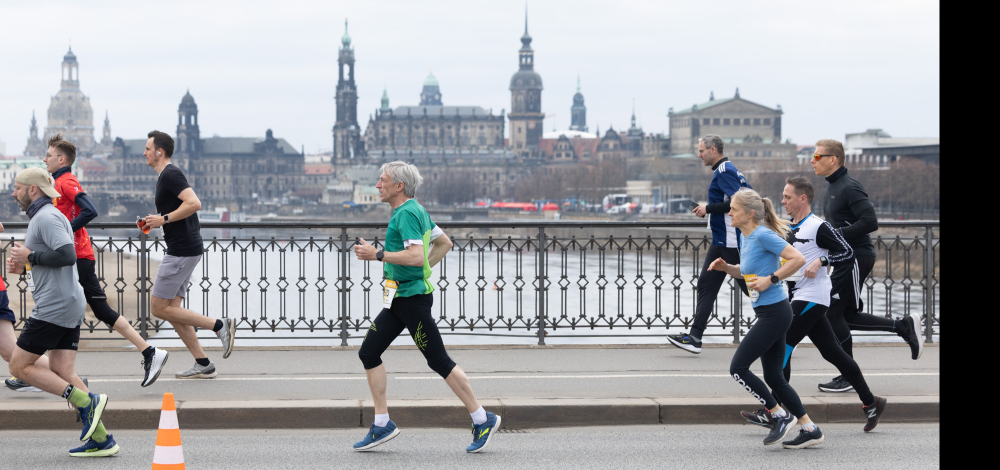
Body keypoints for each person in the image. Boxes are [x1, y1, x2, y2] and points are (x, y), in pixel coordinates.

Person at [352, 161, 500, 453]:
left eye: (382, 181)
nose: (378, 186)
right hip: (399, 299)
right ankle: (382, 424)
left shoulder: (406, 214)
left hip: (412, 302)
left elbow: (416, 256)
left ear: (399, 186)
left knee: (439, 361)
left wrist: (377, 254)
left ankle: (483, 418)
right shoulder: (416, 209)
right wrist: (420, 272)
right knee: (369, 352)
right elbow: (444, 243)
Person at [11, 134, 168, 389]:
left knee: (80, 308)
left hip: (77, 255)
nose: (44, 158)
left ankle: (149, 351)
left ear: (61, 159)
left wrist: (65, 231)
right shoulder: (56, 182)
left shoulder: (66, 181)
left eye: (48, 155)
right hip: (72, 253)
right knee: (59, 306)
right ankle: (36, 371)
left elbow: (90, 210)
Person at [740, 177, 887, 433]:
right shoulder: (787, 227)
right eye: (783, 197)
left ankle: (774, 412)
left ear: (803, 198)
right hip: (796, 297)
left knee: (781, 348)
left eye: (787, 197)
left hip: (813, 296)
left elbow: (846, 253)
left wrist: (821, 261)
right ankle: (871, 402)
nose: (783, 201)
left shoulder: (818, 226)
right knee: (833, 353)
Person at [6, 167, 119, 457]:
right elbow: (52, 258)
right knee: (62, 370)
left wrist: (30, 256)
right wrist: (25, 264)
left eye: (18, 188)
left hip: (54, 306)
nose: (13, 193)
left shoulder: (45, 217)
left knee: (18, 367)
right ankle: (102, 439)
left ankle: (85, 400)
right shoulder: (48, 217)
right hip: (66, 301)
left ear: (33, 190)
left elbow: (67, 255)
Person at [708, 187, 823, 449]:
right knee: (774, 377)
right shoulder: (745, 235)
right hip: (769, 312)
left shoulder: (763, 235)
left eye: (733, 209)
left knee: (738, 368)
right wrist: (728, 268)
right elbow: (749, 272)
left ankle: (779, 415)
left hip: (776, 313)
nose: (729, 212)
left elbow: (798, 259)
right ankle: (810, 428)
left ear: (749, 214)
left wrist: (772, 279)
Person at [810, 140, 922, 393]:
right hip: (846, 257)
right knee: (844, 315)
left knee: (831, 313)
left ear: (833, 159)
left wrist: (837, 235)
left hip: (856, 257)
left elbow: (870, 221)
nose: (812, 160)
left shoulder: (849, 186)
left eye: (817, 156)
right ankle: (902, 327)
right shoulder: (831, 186)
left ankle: (848, 374)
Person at [142, 130, 235, 378]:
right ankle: (203, 363)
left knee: (159, 309)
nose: (145, 153)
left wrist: (163, 219)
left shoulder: (170, 174)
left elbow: (194, 203)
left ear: (159, 152)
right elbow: (177, 210)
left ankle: (219, 325)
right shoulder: (166, 176)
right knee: (172, 309)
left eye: (148, 149)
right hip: (185, 247)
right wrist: (156, 222)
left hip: (182, 250)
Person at [667, 135, 750, 353]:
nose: (699, 154)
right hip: (724, 239)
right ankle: (695, 338)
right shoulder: (730, 170)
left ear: (713, 150)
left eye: (702, 150)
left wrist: (708, 209)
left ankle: (784, 329)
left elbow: (738, 202)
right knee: (706, 285)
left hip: (730, 241)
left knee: (751, 287)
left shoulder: (724, 172)